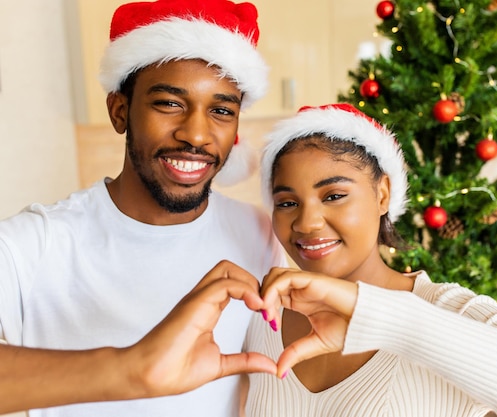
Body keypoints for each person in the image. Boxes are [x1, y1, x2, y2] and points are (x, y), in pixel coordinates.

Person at [242, 103, 497, 417]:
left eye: (334, 196)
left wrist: (390, 320)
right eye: (287, 203)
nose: (307, 222)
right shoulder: (265, 316)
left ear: (382, 195)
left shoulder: (449, 310)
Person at [0, 0, 287, 415]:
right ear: (120, 111)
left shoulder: (257, 232)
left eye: (222, 110)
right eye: (169, 103)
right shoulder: (33, 244)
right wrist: (133, 369)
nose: (196, 135)